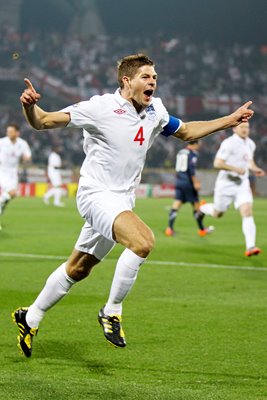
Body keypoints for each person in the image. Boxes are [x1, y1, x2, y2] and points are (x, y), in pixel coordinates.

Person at [12, 54, 254, 358]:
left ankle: (29, 317)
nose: (153, 81)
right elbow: (44, 121)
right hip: (96, 194)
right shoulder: (99, 108)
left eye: (154, 77)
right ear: (127, 81)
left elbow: (187, 131)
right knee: (143, 242)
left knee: (79, 268)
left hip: (122, 199)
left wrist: (230, 120)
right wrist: (29, 106)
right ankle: (111, 311)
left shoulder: (155, 109)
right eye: (146, 76)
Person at [199, 121, 265, 257]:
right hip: (226, 184)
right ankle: (203, 208)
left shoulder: (250, 143)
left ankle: (250, 246)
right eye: (242, 127)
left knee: (247, 211)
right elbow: (217, 163)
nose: (245, 129)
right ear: (234, 129)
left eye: (247, 127)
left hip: (242, 184)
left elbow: (249, 161)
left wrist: (255, 168)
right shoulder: (229, 143)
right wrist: (235, 169)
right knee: (218, 214)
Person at [165, 139, 214, 237]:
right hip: (188, 182)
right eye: (198, 143)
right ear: (194, 144)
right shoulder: (192, 154)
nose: (199, 145)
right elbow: (191, 170)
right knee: (196, 205)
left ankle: (169, 228)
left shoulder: (181, 152)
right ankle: (202, 229)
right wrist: (195, 182)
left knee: (177, 203)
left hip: (179, 180)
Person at [0, 124, 32, 225]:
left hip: (13, 172)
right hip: (2, 170)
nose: (8, 133)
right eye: (7, 131)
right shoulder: (2, 142)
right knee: (12, 193)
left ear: (17, 133)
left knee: (10, 197)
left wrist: (26, 158)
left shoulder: (22, 143)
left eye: (11, 131)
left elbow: (28, 156)